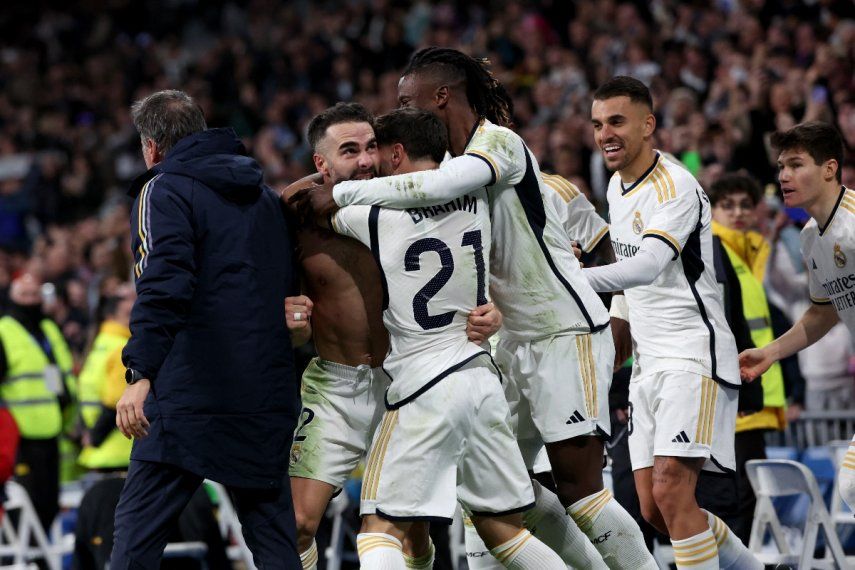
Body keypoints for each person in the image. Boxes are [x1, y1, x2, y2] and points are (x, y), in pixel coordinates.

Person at [294, 47, 652, 570]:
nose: (398, 106)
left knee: (577, 492)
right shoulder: (461, 181)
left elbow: (439, 188)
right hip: (497, 347)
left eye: (405, 99)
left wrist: (342, 191)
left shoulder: (494, 147)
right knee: (509, 503)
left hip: (561, 330)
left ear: (440, 96)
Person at [324, 107, 563, 569]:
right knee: (506, 533)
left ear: (396, 153)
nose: (372, 162)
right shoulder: (478, 199)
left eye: (378, 151)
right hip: (480, 378)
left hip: (424, 385)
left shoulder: (368, 215)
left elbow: (308, 210)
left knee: (377, 530)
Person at [281, 102, 501, 570]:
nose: (364, 160)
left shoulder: (408, 196)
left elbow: (472, 265)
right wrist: (287, 323)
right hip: (335, 385)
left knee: (410, 532)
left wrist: (492, 310)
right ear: (321, 163)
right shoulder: (293, 215)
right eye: (349, 151)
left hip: (403, 380)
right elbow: (281, 312)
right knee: (297, 522)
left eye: (371, 148)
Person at [111, 89, 301, 569]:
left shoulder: (163, 189)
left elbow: (163, 285)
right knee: (276, 546)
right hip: (262, 397)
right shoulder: (265, 199)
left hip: (187, 399)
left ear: (152, 147)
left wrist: (140, 373)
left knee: (134, 546)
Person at [584, 76, 761, 569]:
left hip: (691, 356)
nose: (605, 135)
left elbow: (645, 266)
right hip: (648, 363)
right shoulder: (618, 188)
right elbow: (630, 276)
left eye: (616, 122)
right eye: (598, 124)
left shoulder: (677, 186)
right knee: (653, 508)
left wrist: (570, 279)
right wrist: (619, 322)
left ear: (649, 125)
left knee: (672, 492)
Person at [738, 121, 854, 511]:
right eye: (781, 166)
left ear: (829, 168)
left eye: (796, 164)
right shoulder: (809, 237)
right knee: (852, 487)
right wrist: (771, 352)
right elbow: (824, 312)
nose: (785, 175)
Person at [705, 174, 787, 542]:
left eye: (744, 205)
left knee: (751, 495)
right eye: (727, 205)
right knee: (736, 496)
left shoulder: (754, 251)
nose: (737, 212)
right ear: (712, 210)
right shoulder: (714, 251)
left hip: (756, 388)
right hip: (733, 392)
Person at [0, 272, 76, 530]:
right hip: (20, 435)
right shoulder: (4, 331)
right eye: (24, 295)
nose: (30, 301)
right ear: (12, 297)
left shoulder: (48, 328)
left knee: (49, 503)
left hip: (53, 429)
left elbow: (59, 372)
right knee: (24, 507)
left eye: (35, 295)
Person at [77, 284, 135, 471]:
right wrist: (95, 437)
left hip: (101, 450)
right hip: (119, 449)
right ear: (112, 317)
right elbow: (116, 400)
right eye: (128, 314)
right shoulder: (122, 348)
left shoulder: (100, 344)